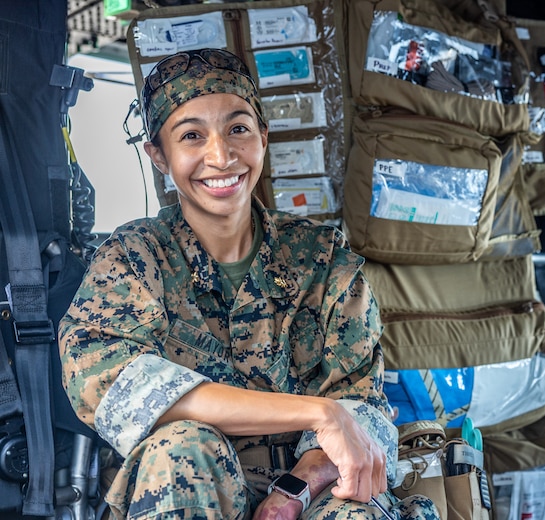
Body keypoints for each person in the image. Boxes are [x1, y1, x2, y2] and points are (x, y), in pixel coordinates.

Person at [58, 48, 439, 520]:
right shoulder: (134, 260)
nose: (220, 157)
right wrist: (319, 413)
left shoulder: (323, 259)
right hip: (187, 491)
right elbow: (114, 388)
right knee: (180, 448)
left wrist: (295, 490)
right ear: (158, 155)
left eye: (238, 129)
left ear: (262, 136)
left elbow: (360, 405)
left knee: (357, 509)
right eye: (192, 136)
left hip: (306, 486)